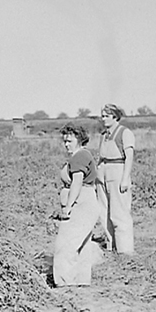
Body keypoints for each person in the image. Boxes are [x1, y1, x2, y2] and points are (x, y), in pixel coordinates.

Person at [53, 123, 100, 287]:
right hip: (85, 200)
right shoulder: (80, 155)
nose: (66, 144)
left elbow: (77, 183)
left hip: (81, 201)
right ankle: (80, 280)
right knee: (81, 244)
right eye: (64, 141)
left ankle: (65, 283)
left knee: (65, 244)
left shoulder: (79, 156)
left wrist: (68, 207)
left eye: (70, 141)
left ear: (79, 140)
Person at [96, 104, 135, 255]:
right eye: (102, 116)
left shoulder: (124, 133)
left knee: (119, 212)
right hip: (103, 173)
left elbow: (129, 157)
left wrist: (125, 179)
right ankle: (111, 245)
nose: (103, 119)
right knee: (103, 211)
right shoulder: (104, 135)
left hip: (118, 171)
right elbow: (101, 156)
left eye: (106, 116)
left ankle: (125, 250)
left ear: (115, 116)